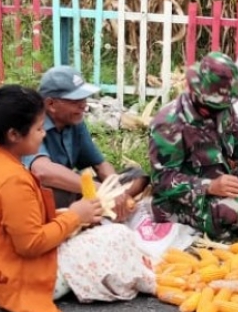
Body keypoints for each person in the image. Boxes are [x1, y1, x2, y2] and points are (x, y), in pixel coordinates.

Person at [0, 85, 154, 312]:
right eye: (38, 128)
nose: (43, 133)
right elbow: (30, 245)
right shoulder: (12, 180)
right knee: (117, 237)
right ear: (13, 135)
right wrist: (75, 216)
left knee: (100, 230)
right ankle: (153, 282)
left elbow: (20, 223)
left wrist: (72, 217)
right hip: (5, 278)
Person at [148, 51, 238, 243]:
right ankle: (229, 230)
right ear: (198, 93)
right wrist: (209, 187)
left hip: (220, 178)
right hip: (181, 201)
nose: (223, 109)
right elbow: (163, 181)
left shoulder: (221, 106)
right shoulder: (169, 123)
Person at [25, 65, 148, 215]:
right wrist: (95, 188)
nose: (83, 105)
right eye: (75, 101)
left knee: (137, 176)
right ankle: (94, 212)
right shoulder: (31, 124)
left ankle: (100, 210)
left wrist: (115, 191)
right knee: (54, 192)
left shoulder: (74, 122)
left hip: (77, 190)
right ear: (51, 104)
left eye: (83, 99)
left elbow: (100, 164)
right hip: (43, 194)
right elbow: (42, 171)